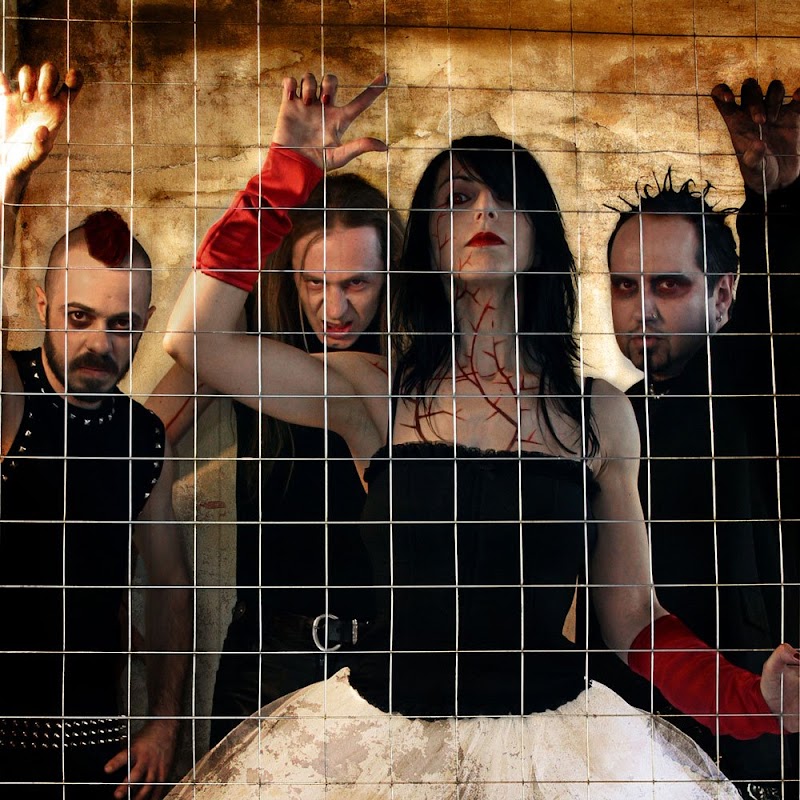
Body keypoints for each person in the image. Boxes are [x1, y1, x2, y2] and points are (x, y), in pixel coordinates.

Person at [164, 72, 798, 798]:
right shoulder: (376, 390)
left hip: (553, 749)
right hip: (384, 746)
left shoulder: (596, 411)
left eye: (506, 197)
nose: (483, 211)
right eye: (457, 199)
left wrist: (749, 699)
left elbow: (634, 620)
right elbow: (195, 340)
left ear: (540, 233)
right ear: (427, 242)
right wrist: (285, 175)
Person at [149, 172, 402, 747]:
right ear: (290, 273)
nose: (334, 308)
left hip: (387, 657)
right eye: (315, 282)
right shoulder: (246, 351)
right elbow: (136, 441)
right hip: (269, 663)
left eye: (357, 283)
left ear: (391, 277)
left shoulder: (409, 369)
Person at [603, 79, 800, 797]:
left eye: (669, 286)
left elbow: (779, 314)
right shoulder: (608, 414)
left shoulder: (759, 382)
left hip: (758, 727)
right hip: (632, 732)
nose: (642, 309)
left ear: (722, 295)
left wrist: (778, 203)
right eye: (625, 286)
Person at [0, 63, 191, 800]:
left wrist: (165, 721)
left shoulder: (143, 436)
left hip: (94, 751)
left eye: (123, 325)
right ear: (42, 303)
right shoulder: (12, 394)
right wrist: (10, 177)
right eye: (79, 317)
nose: (100, 345)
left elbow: (169, 584)